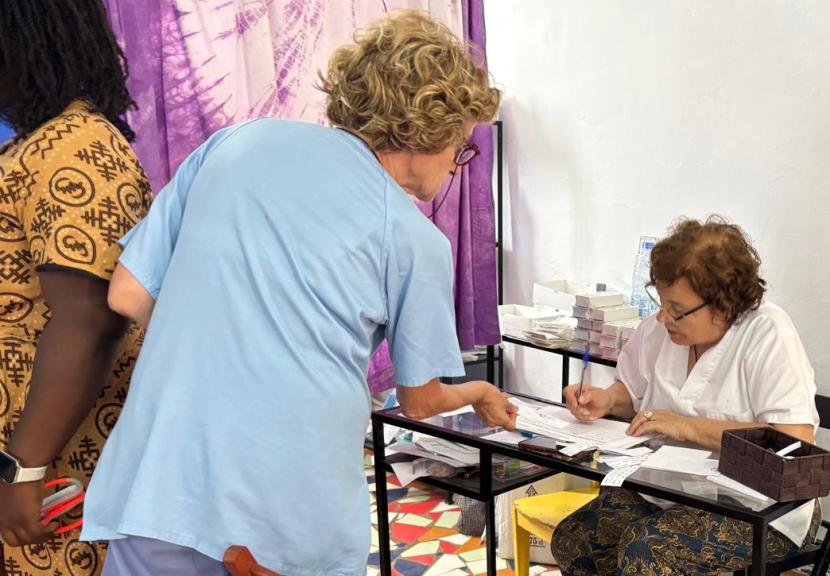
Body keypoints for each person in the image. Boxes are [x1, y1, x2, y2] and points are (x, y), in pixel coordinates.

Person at [81, 11, 514, 576]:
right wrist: (479, 389)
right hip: (285, 504)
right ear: (426, 130)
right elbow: (421, 401)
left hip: (164, 477)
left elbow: (128, 295)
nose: (458, 166)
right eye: (460, 147)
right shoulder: (413, 239)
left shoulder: (237, 143)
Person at [553, 216, 822, 575]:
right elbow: (630, 394)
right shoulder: (658, 330)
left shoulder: (768, 334)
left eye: (677, 310)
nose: (664, 318)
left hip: (760, 506)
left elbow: (793, 440)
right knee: (576, 538)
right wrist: (606, 400)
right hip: (665, 489)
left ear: (725, 302)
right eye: (661, 303)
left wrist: (686, 427)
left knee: (647, 550)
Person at [0, 1, 152, 574]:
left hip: (54, 467)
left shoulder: (76, 147)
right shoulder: (34, 144)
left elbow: (91, 321)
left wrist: (24, 468)